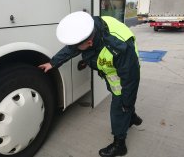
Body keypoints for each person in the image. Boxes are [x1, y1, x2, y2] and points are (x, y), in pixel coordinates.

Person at [38, 11, 142, 157]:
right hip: (113, 71)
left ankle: (120, 145)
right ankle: (131, 117)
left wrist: (127, 104)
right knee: (120, 101)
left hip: (125, 72)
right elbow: (72, 48)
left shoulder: (120, 48)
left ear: (89, 42)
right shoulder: (89, 27)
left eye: (77, 46)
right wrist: (53, 63)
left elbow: (131, 80)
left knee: (119, 106)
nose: (74, 48)